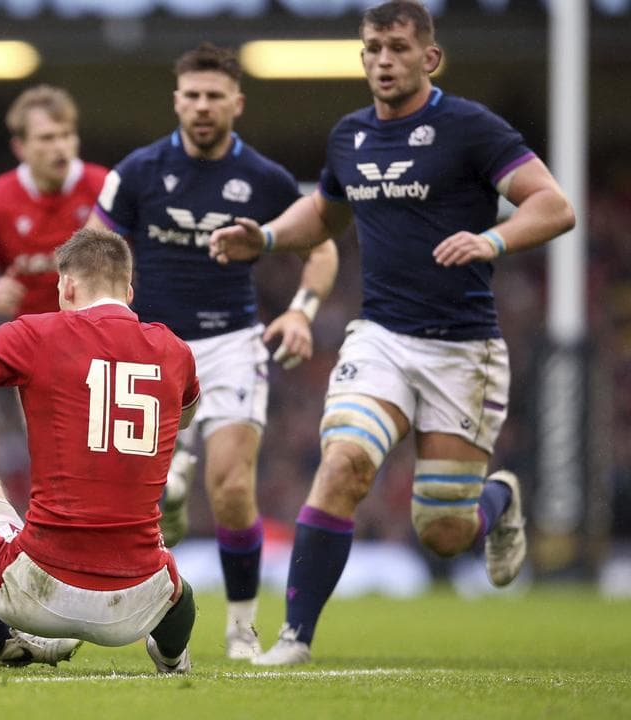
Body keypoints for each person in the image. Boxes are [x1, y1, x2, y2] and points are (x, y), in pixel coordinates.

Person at [209, 0, 575, 666]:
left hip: (463, 348)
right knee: (343, 464)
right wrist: (262, 236)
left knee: (441, 532)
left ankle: (497, 499)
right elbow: (323, 213)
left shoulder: (471, 127)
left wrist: (491, 238)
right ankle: (296, 639)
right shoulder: (350, 136)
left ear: (429, 58)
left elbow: (554, 205)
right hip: (380, 337)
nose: (383, 60)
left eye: (398, 48)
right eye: (373, 47)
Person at [86, 42, 339, 659]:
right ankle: (134, 599)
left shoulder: (266, 180)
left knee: (229, 488)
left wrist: (301, 313)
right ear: (177, 100)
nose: (202, 107)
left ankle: (242, 626)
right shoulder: (138, 172)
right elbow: (94, 249)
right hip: (149, 347)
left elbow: (323, 248)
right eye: (192, 95)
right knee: (131, 494)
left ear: (237, 103)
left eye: (214, 96)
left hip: (231, 343)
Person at [0, 228, 201, 673]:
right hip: (137, 605)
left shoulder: (37, 333)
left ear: (68, 286)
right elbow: (183, 416)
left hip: (38, 592)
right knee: (178, 590)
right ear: (129, 290)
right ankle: (172, 659)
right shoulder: (176, 352)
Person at [0, 85, 107, 318]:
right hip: (30, 338)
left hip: (98, 333)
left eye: (66, 135)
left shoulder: (104, 187)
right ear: (20, 147)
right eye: (47, 138)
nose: (60, 147)